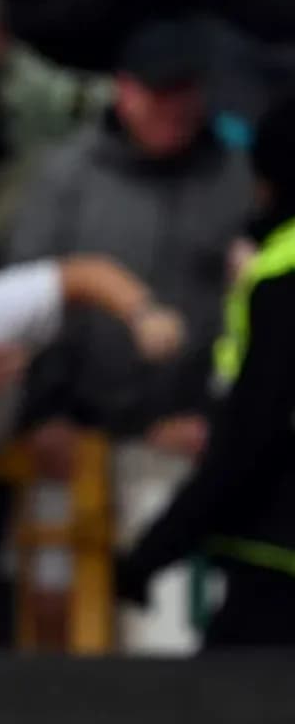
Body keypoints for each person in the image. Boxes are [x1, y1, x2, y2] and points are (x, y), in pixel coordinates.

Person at [117, 96, 295, 648]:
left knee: (224, 721)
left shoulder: (281, 274)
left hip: (279, 554)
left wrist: (155, 549)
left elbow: (254, 431)